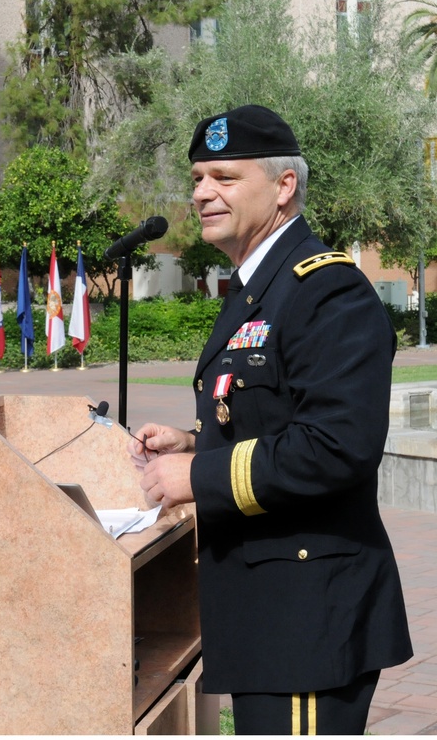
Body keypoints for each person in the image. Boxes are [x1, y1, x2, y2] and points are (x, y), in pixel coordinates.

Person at [127, 104, 412, 735]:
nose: (202, 192)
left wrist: (198, 477)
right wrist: (194, 439)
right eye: (198, 177)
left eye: (225, 177)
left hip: (307, 618)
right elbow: (274, 413)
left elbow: (337, 445)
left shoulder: (325, 290)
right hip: (267, 611)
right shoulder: (260, 287)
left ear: (284, 187)